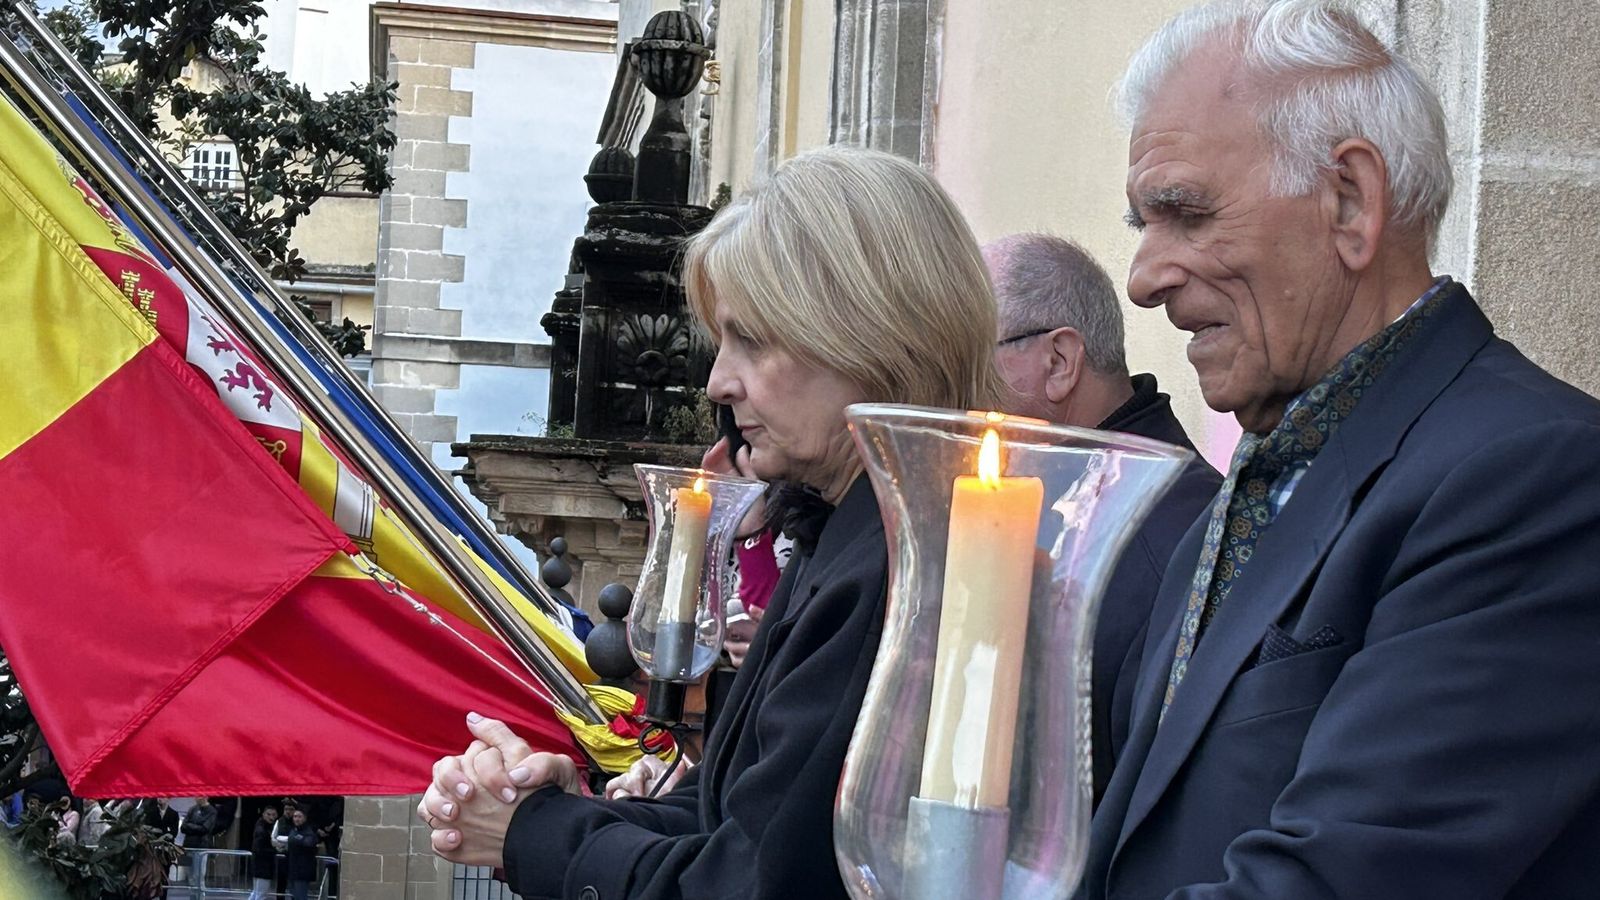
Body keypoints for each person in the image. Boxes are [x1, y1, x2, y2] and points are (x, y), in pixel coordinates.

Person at [1078, 2, 1600, 898]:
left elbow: (1343, 877)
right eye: (1143, 226)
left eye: (1186, 212)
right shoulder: (1263, 475)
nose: (1143, 278)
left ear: (1352, 202)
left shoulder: (1535, 476)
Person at [415, 146, 1010, 899]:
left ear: (871, 340)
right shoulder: (853, 534)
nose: (717, 382)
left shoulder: (897, 566)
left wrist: (540, 831)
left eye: (751, 340)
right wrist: (555, 816)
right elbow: (734, 817)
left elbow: (752, 880)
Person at [985, 232, 1222, 804]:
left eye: (966, 358)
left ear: (1060, 362)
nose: (945, 391)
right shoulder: (1031, 497)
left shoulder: (1173, 539)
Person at [281, 807, 319, 900]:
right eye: (295, 816)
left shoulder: (308, 831)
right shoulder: (294, 830)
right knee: (293, 895)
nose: (296, 819)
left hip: (302, 871)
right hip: (293, 869)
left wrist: (296, 838)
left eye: (299, 816)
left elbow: (309, 842)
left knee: (300, 896)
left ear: (305, 818)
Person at [247, 805, 279, 900]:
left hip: (260, 865)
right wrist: (275, 850)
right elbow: (259, 848)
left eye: (273, 814)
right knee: (260, 895)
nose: (271, 817)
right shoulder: (262, 829)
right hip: (263, 866)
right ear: (263, 814)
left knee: (256, 893)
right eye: (268, 814)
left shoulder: (262, 826)